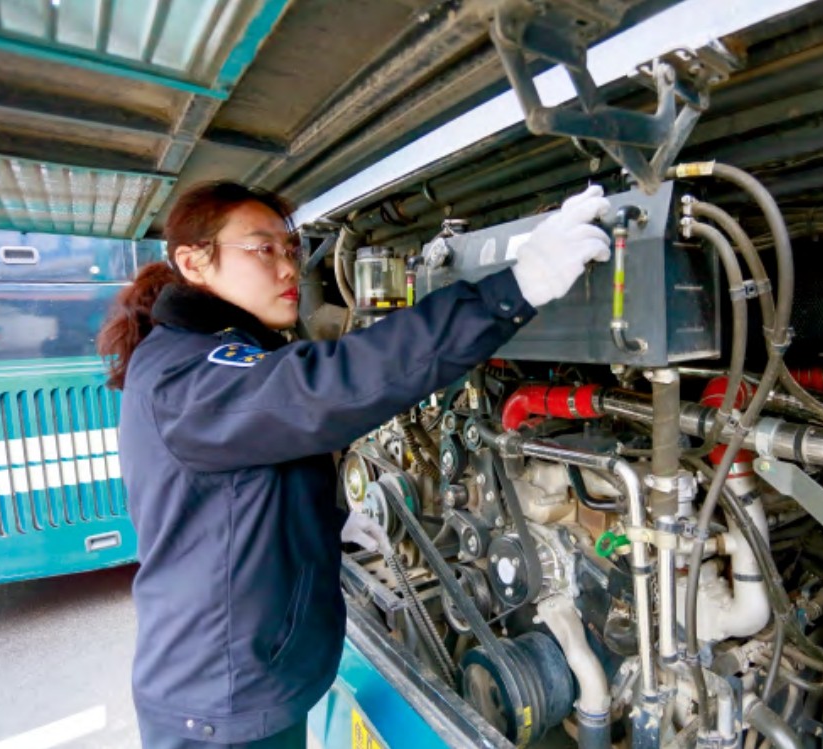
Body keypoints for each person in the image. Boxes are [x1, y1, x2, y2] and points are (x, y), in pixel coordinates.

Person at [98, 181, 611, 748]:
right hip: (222, 709)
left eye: (290, 250)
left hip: (238, 690)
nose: (288, 268)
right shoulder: (188, 373)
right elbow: (324, 389)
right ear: (194, 262)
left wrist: (329, 520)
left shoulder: (198, 356)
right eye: (263, 248)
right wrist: (515, 289)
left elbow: (238, 487)